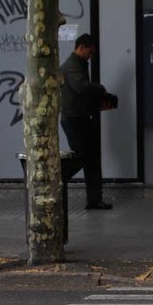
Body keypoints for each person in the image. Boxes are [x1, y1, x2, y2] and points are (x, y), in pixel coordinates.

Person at [60, 33, 115, 210]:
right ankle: (58, 177)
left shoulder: (80, 64)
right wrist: (101, 89)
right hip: (74, 119)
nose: (91, 56)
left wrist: (99, 103)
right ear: (81, 47)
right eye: (90, 52)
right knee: (82, 156)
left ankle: (94, 199)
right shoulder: (71, 66)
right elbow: (81, 88)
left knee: (91, 159)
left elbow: (81, 94)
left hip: (82, 117)